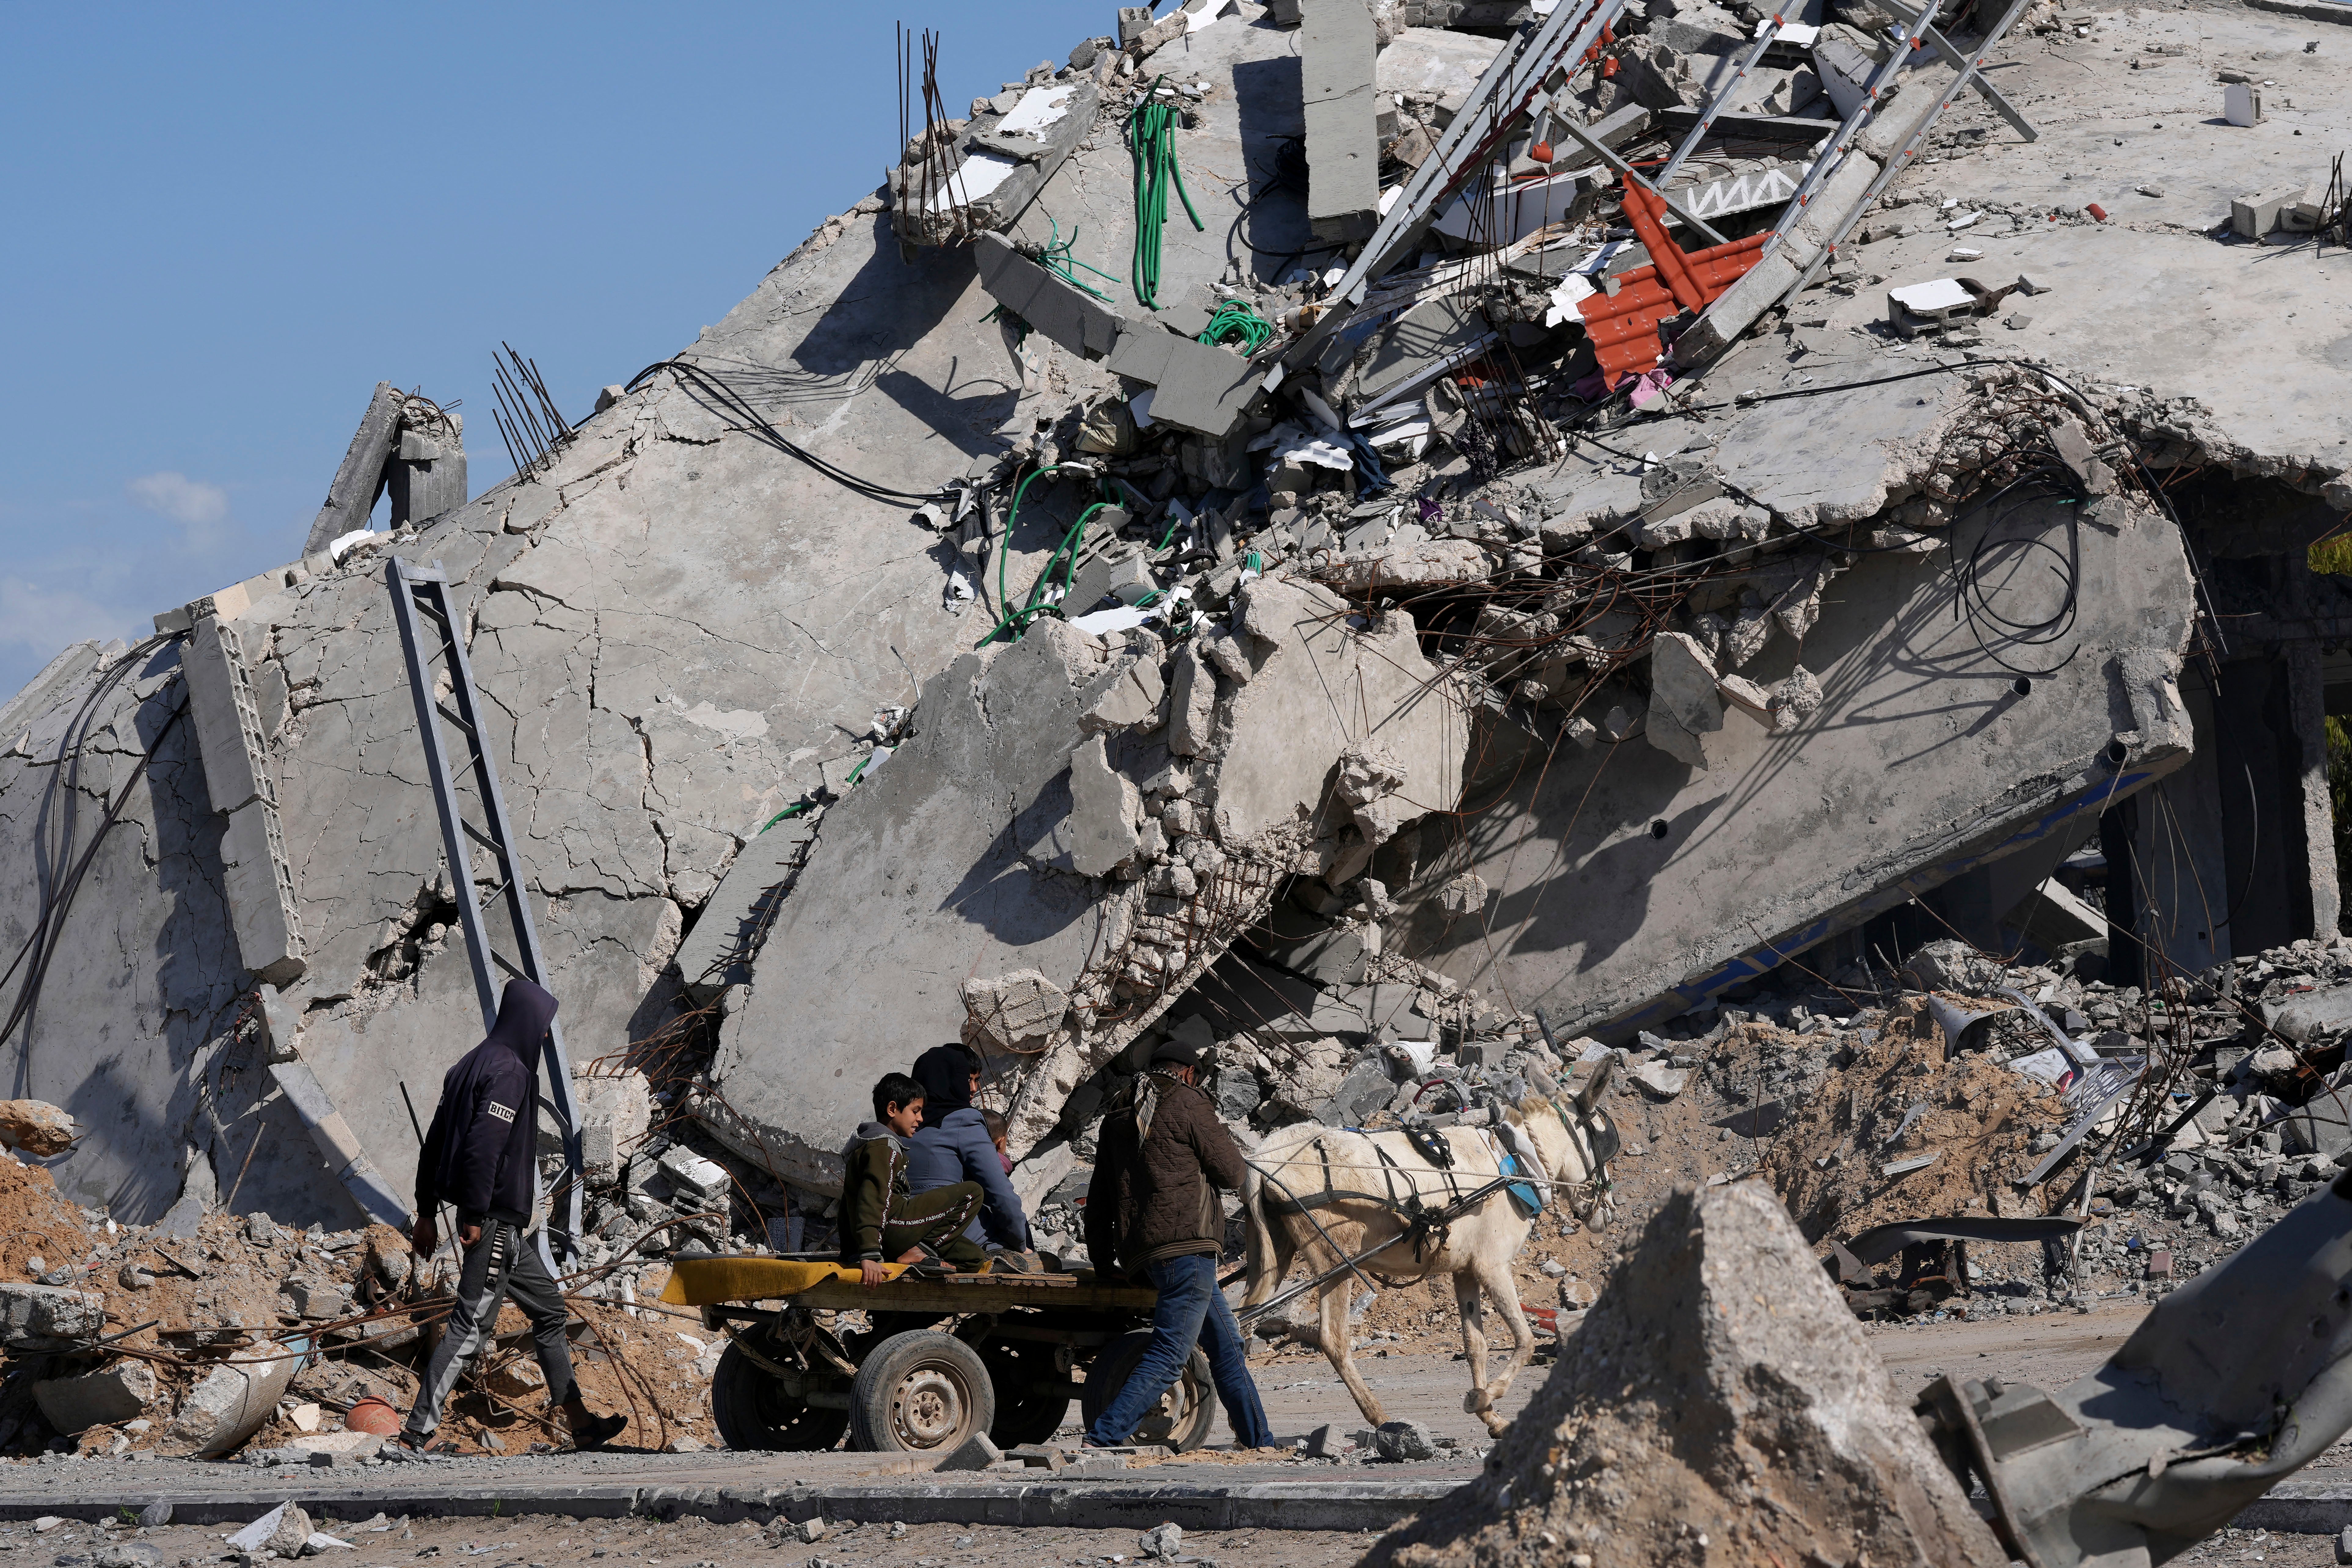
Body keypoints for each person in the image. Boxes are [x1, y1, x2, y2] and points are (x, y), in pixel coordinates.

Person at [401, 978, 626, 1453]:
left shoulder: (469, 1064)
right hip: (494, 1219)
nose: (546, 1036)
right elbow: (484, 1147)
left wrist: (425, 1210)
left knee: (549, 1309)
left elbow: (435, 1144)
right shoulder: (511, 1071)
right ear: (528, 1022)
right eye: (544, 1026)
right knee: (473, 1323)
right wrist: (476, 1212)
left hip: (500, 1224)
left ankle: (581, 1424)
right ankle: (414, 1433)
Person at [1082, 1036, 1274, 1449]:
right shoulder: (1188, 1101)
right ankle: (1103, 1437)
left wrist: (1103, 1261)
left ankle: (1260, 1440)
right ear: (1187, 1072)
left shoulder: (1118, 1111)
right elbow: (1233, 1174)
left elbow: (1098, 1197)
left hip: (1145, 1253)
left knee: (1227, 1347)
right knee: (1171, 1351)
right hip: (1187, 1247)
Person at [840, 1072, 987, 1285]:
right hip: (890, 1228)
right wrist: (869, 1255)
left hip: (888, 1235)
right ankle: (916, 1252)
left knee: (971, 1257)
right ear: (892, 1109)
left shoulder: (875, 1146)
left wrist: (850, 1250)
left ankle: (917, 1252)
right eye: (915, 1111)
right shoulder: (883, 1147)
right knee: (972, 1192)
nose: (920, 1119)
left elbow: (848, 1203)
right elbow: (872, 1199)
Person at [906, 1043, 1034, 1271]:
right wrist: (1021, 1244)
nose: (974, 1089)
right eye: (967, 1080)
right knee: (1040, 1262)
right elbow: (1001, 1193)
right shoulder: (964, 1120)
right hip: (951, 1234)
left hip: (904, 1233)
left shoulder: (906, 1122)